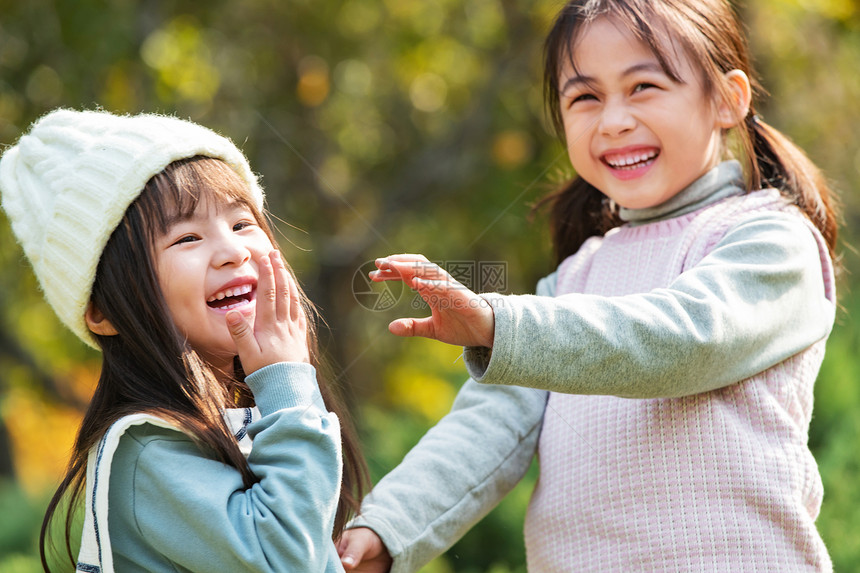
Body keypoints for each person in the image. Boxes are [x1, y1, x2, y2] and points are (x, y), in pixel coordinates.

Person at [337, 0, 839, 571]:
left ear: (728, 99)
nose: (613, 120)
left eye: (644, 86)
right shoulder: (574, 279)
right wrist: (387, 528)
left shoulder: (770, 241)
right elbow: (487, 426)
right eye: (585, 97)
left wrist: (499, 325)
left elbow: (677, 341)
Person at [0, 108, 368, 572]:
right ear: (106, 311)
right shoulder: (150, 449)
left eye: (241, 224)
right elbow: (286, 559)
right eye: (187, 238)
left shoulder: (243, 418)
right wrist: (288, 385)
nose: (233, 252)